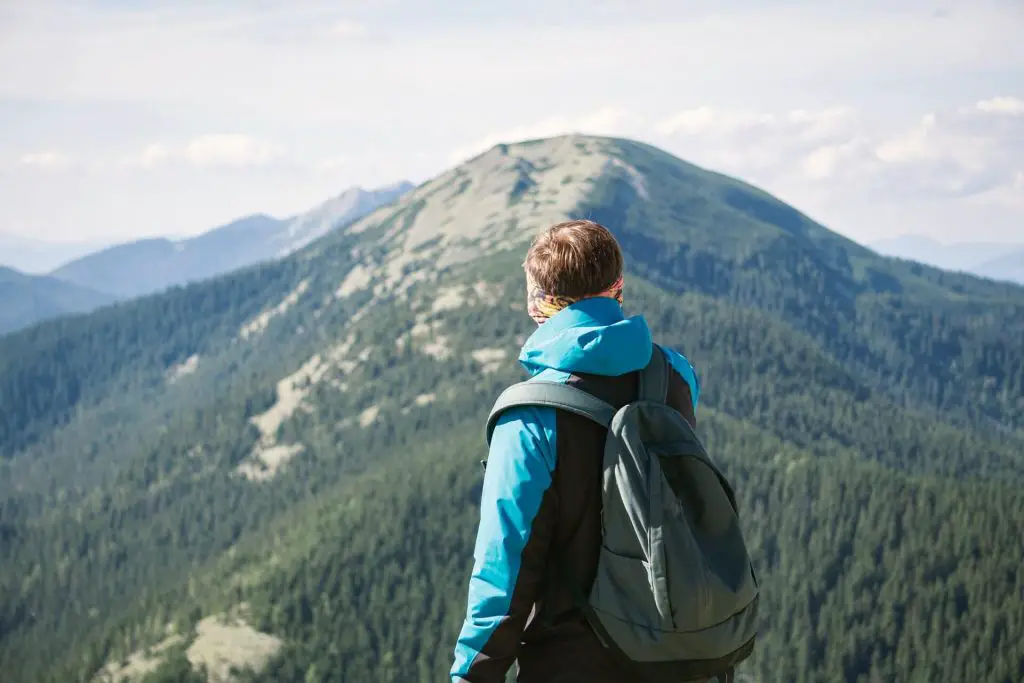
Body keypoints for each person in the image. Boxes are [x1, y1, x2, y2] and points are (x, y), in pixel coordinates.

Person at [450, 219, 704, 683]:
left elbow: (503, 574)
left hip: (574, 664)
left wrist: (471, 676)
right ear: (619, 289)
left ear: (537, 304)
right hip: (685, 654)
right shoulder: (676, 378)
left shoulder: (528, 418)